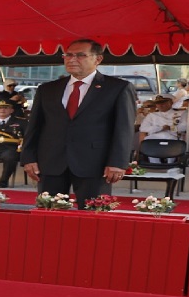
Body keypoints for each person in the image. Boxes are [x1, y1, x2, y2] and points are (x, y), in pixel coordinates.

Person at [20, 38, 136, 209]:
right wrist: (28, 157)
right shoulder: (48, 89)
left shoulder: (117, 88)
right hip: (51, 162)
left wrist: (118, 162)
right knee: (49, 214)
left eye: (80, 55)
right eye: (68, 55)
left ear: (98, 59)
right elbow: (35, 126)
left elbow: (124, 128)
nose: (72, 59)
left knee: (94, 215)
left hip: (95, 164)